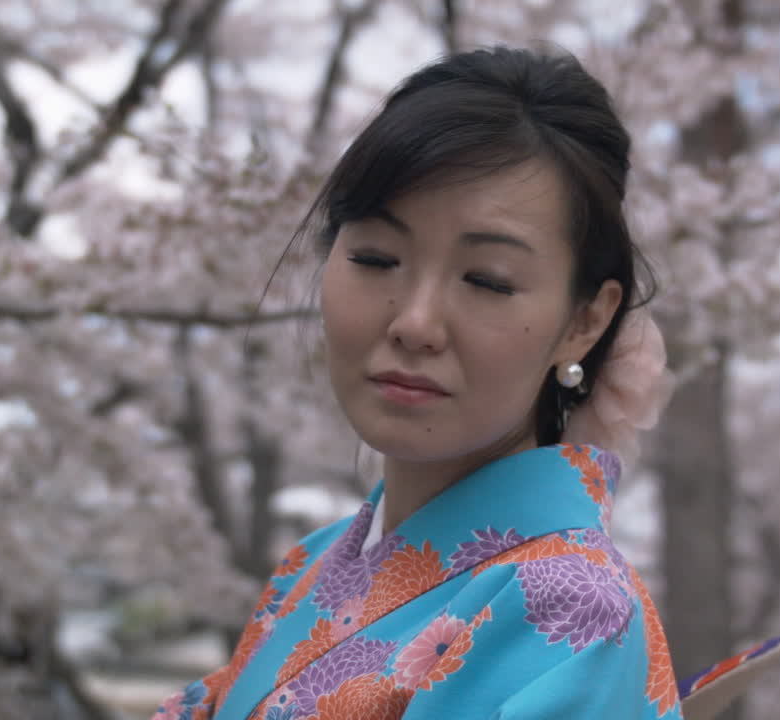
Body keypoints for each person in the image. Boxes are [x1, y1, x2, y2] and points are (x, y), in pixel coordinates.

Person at [152, 46, 683, 720]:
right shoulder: (308, 568)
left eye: (487, 280)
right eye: (376, 258)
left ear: (586, 321)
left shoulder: (570, 604)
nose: (416, 322)